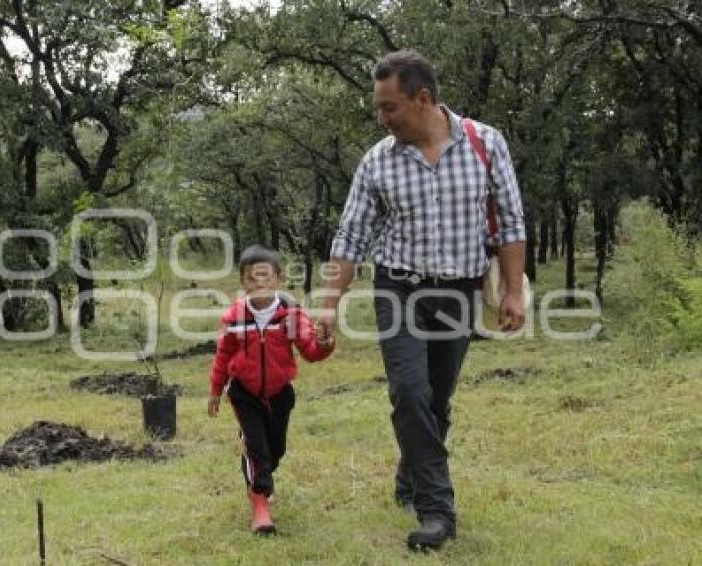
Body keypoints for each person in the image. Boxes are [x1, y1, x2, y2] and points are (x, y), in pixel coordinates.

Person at [319, 50, 527, 551]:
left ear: (423, 98)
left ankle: (410, 476)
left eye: (390, 107)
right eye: (378, 108)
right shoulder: (377, 161)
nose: (381, 118)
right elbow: (351, 237)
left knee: (436, 399)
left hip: (459, 290)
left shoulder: (485, 143)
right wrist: (328, 303)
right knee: (409, 393)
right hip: (400, 288)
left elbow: (510, 222)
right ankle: (437, 511)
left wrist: (514, 290)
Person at [208, 244, 335, 535]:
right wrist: (215, 390)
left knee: (275, 449)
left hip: (279, 394)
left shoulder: (289, 313)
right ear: (243, 283)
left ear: (277, 278)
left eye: (265, 276)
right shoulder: (234, 318)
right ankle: (260, 506)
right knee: (257, 451)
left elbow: (311, 351)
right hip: (244, 392)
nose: (259, 283)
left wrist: (325, 343)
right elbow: (222, 356)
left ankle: (261, 471)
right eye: (252, 278)